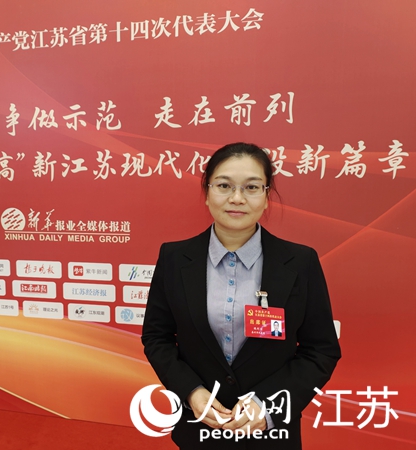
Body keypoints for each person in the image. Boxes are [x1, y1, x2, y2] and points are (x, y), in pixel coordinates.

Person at [141, 142, 341, 449]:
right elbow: (157, 338)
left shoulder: (300, 262)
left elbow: (321, 351)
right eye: (224, 186)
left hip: (271, 435)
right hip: (200, 429)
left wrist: (267, 405)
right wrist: (191, 391)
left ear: (266, 196)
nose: (237, 198)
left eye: (251, 187)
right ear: (207, 193)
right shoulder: (174, 258)